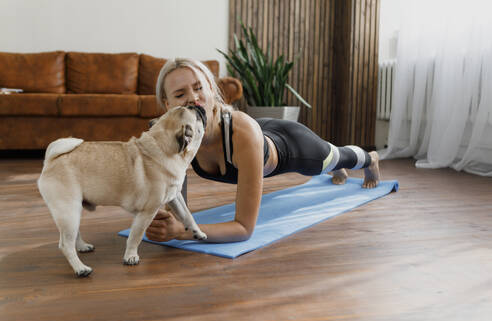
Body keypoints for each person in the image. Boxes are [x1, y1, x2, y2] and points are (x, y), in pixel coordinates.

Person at [145, 58, 380, 243]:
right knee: (333, 164)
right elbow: (175, 211)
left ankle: (370, 159)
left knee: (334, 158)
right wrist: (166, 222)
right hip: (259, 132)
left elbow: (243, 229)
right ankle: (339, 169)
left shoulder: (241, 134)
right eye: (180, 94)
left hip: (291, 145)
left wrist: (185, 231)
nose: (193, 98)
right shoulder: (171, 138)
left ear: (211, 91)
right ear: (167, 105)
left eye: (198, 88)